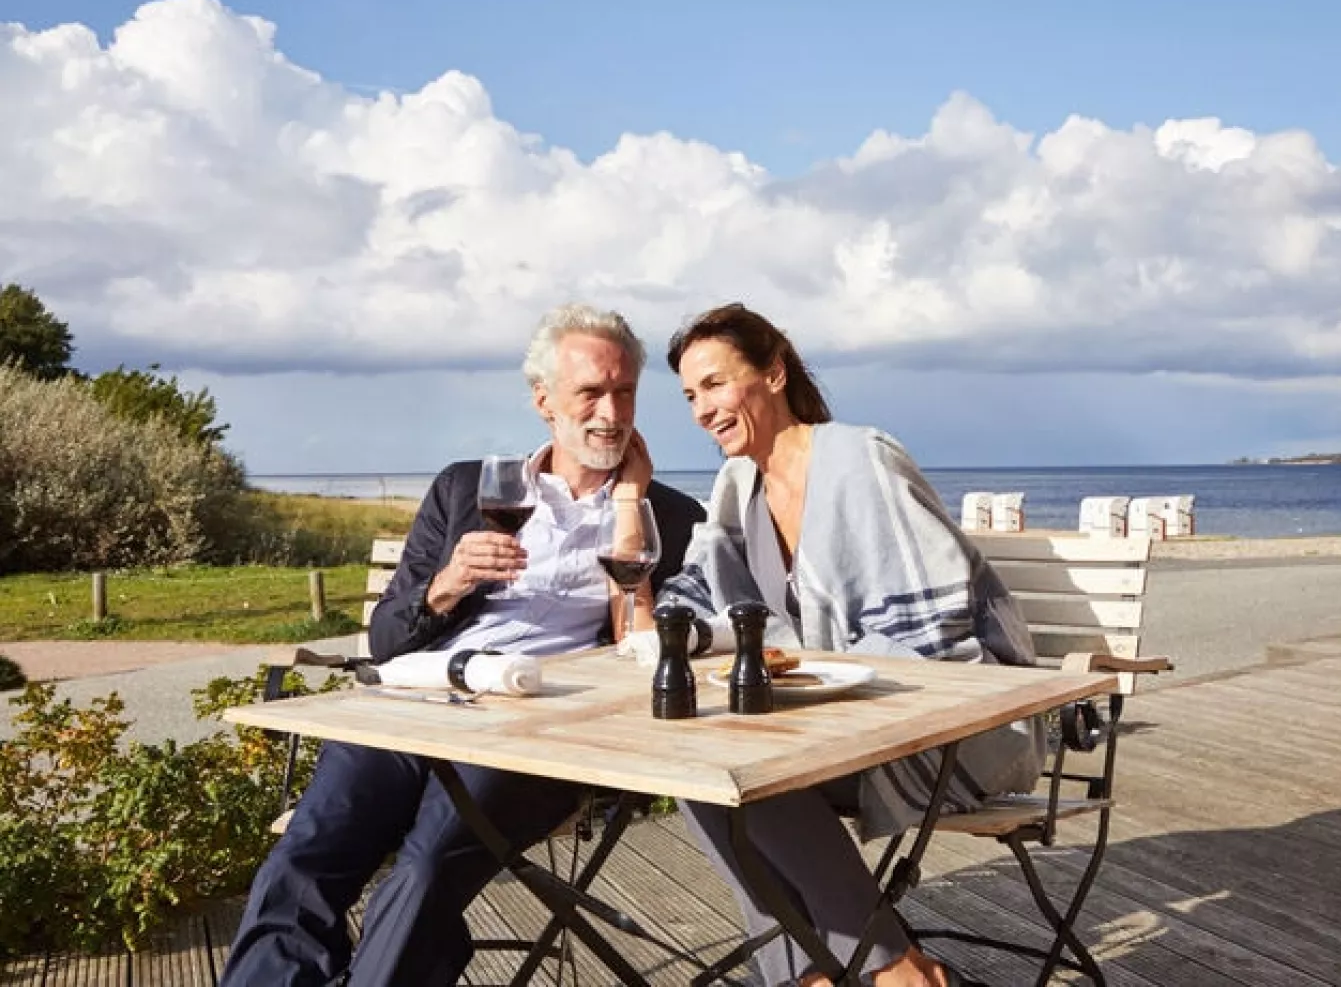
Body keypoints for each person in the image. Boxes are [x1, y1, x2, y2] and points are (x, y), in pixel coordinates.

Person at [221, 303, 705, 987]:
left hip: (538, 724)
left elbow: (644, 658)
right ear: (544, 400)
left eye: (623, 390)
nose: (610, 411)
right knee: (310, 850)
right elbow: (386, 640)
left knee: (426, 866)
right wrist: (447, 582)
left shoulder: (672, 516)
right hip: (414, 702)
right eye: (589, 391)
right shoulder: (465, 488)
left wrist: (628, 508)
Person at [658, 303, 1044, 987]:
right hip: (829, 724)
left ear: (773, 373)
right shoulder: (735, 485)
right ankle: (820, 977)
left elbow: (939, 633)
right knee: (690, 768)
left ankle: (894, 970)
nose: (701, 410)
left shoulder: (860, 458)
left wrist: (799, 668)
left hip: (957, 724)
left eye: (715, 384)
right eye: (690, 395)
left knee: (747, 764)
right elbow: (690, 601)